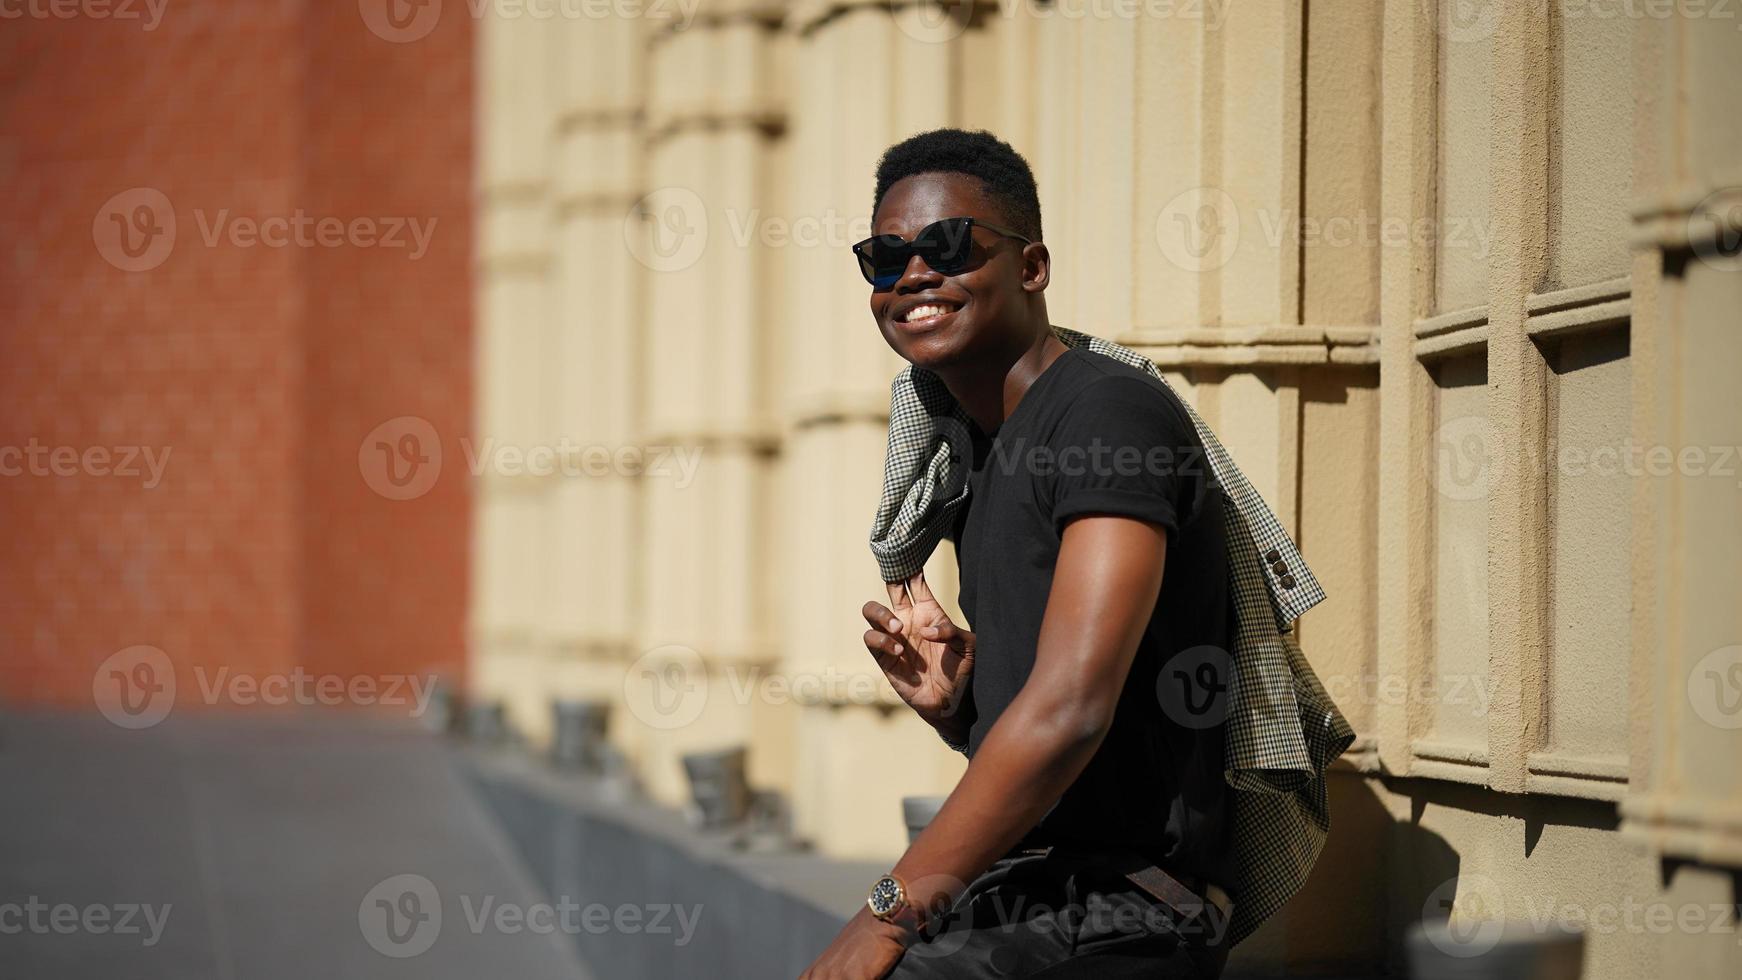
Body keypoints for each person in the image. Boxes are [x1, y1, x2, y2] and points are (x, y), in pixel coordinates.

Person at [801, 129, 1238, 980]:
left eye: (949, 245)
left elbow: (1072, 708)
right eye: (884, 259)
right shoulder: (980, 447)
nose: (915, 274)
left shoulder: (1106, 417)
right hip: (1043, 890)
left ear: (1032, 267)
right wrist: (965, 711)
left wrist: (886, 913)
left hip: (1131, 910)